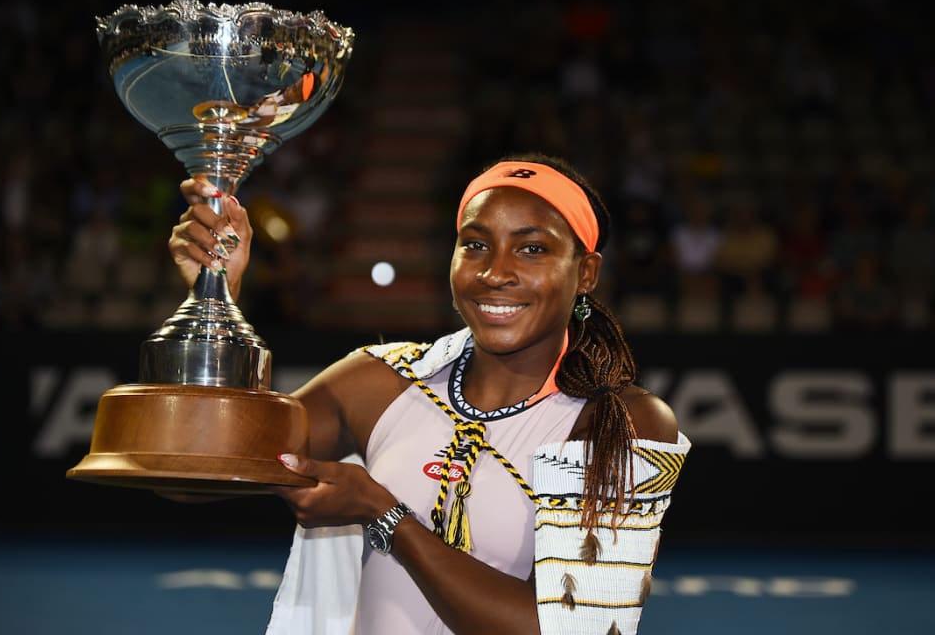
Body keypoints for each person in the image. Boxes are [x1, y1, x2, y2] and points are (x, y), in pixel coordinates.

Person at [167, 152, 692, 635]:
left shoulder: (621, 421)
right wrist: (216, 300)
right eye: (476, 244)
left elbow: (574, 630)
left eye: (532, 249)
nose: (495, 272)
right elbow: (193, 477)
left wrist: (384, 513)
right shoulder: (376, 382)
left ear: (586, 273)